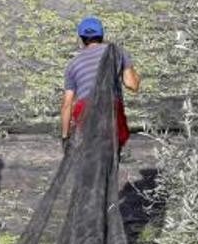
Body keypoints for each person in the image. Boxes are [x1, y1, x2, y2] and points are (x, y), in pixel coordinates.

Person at [59, 16, 141, 148]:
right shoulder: (117, 52)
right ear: (102, 35)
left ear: (81, 38)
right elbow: (132, 84)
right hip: (110, 108)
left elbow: (67, 104)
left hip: (85, 110)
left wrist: (65, 137)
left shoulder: (73, 64)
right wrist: (135, 74)